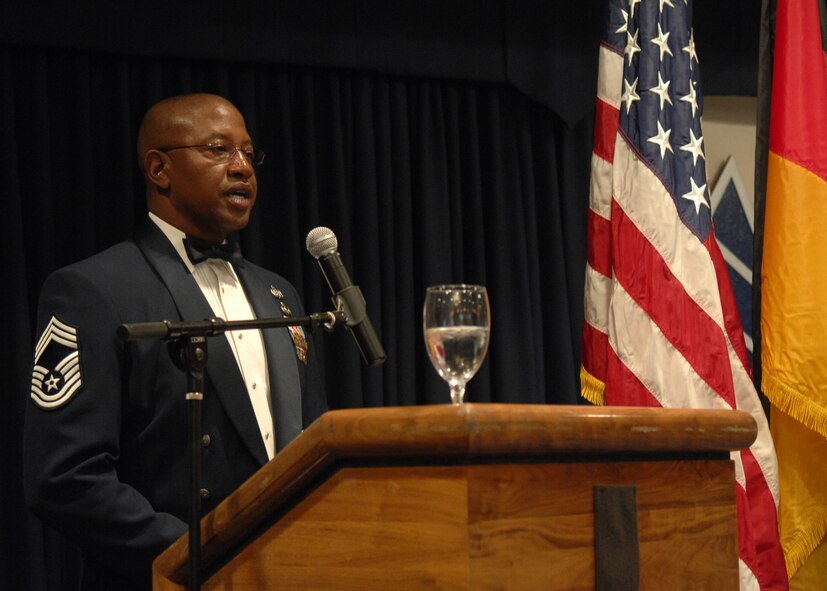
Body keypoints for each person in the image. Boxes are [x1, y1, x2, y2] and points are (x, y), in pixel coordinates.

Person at [23, 93, 327, 590]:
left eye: (250, 154)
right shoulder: (94, 290)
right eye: (218, 149)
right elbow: (64, 478)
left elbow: (308, 446)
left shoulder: (282, 294)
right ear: (159, 169)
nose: (242, 168)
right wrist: (195, 557)